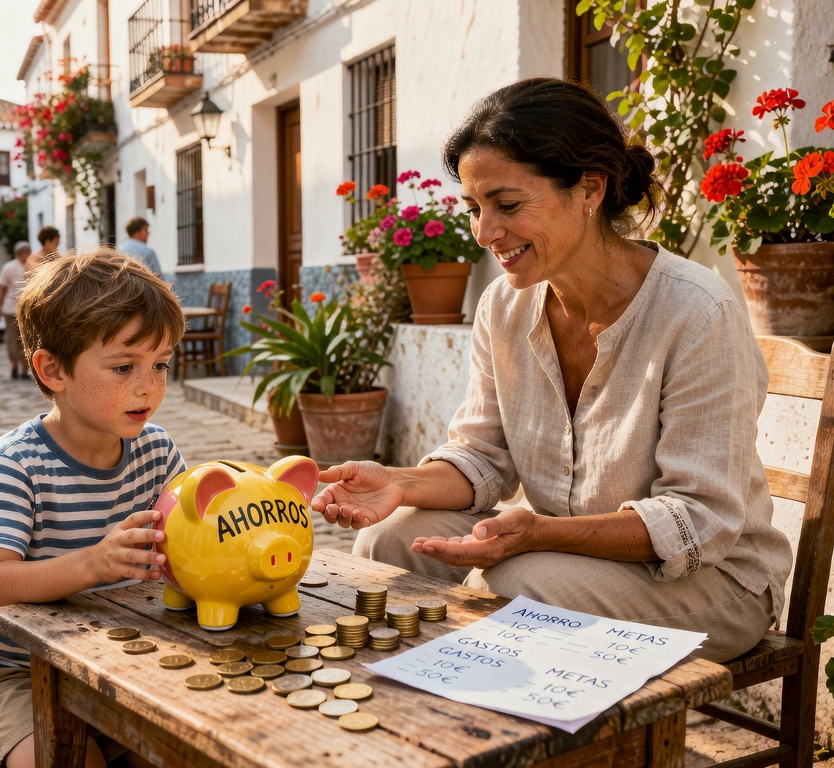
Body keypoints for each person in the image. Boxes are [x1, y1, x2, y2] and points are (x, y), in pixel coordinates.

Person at [310, 78, 792, 663]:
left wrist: (536, 534)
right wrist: (400, 483)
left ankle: (498, 741)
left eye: (507, 205)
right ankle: (395, 719)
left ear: (589, 189)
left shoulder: (697, 310)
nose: (486, 233)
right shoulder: (504, 306)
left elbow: (699, 521)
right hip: (568, 560)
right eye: (475, 208)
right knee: (390, 538)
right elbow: (483, 458)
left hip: (711, 583)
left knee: (518, 586)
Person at [0, 247, 187, 768]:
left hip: (118, 658)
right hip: (12, 673)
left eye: (160, 364)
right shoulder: (14, 465)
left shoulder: (157, 451)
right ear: (53, 370)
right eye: (124, 366)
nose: (148, 385)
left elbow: (190, 539)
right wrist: (91, 565)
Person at [0, 242, 31, 379]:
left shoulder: (32, 266)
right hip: (10, 309)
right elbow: (2, 288)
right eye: (25, 252)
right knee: (12, 340)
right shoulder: (9, 267)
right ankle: (14, 366)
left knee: (26, 340)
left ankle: (24, 369)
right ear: (19, 254)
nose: (27, 255)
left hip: (28, 310)